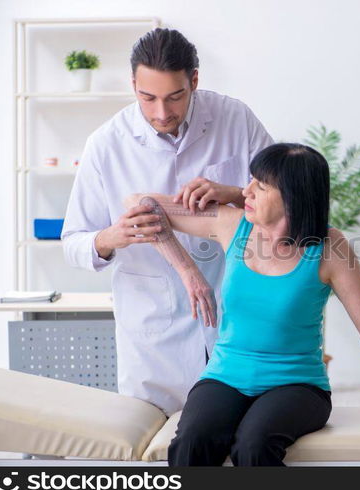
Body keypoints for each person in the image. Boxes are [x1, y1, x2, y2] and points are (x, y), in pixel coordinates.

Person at [124, 143, 360, 467]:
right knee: (192, 442)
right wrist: (187, 270)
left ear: (292, 198)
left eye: (260, 187)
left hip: (297, 386)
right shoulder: (232, 225)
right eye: (251, 182)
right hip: (224, 376)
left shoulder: (329, 248)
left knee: (253, 445)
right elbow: (140, 204)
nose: (244, 192)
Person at [61, 27, 273, 417]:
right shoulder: (106, 144)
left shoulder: (235, 118)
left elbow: (280, 198)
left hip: (235, 314)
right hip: (153, 333)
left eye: (175, 97)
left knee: (241, 440)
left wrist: (229, 192)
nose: (162, 112)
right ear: (133, 85)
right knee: (159, 454)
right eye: (148, 98)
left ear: (194, 80)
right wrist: (111, 237)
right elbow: (73, 241)